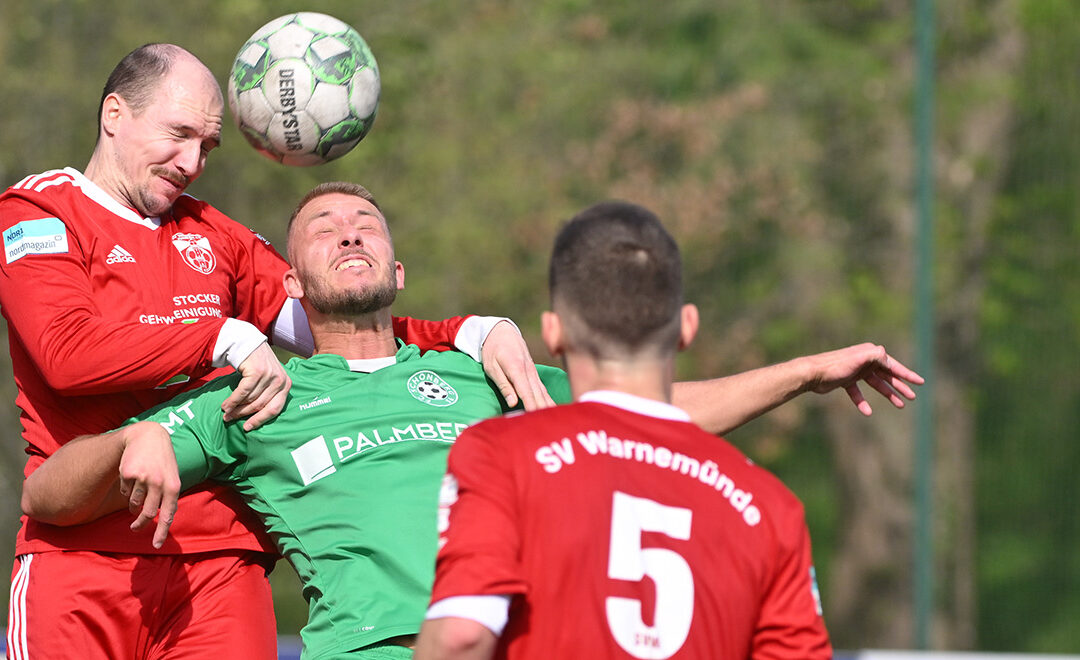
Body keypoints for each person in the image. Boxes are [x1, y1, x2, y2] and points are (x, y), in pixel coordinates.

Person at [22, 184, 918, 658]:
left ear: (399, 270)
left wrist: (804, 372)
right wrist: (122, 444)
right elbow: (46, 497)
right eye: (324, 227)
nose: (349, 233)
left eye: (366, 223)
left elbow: (657, 414)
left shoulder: (483, 371)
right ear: (288, 289)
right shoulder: (264, 397)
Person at [0, 44, 547, 660]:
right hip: (81, 552)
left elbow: (342, 311)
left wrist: (469, 331)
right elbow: (66, 353)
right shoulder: (39, 211)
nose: (191, 163)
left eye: (206, 146)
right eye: (178, 136)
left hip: (218, 560)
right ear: (114, 114)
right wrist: (218, 335)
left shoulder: (216, 235)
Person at [414, 202, 834, 659]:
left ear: (553, 333)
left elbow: (462, 637)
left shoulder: (501, 451)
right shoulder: (770, 506)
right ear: (687, 328)